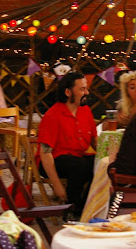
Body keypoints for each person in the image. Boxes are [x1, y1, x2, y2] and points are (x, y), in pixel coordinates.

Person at [37, 72, 97, 218]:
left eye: (86, 88)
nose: (87, 92)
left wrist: (106, 158)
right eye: (82, 89)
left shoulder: (85, 111)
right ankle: (72, 209)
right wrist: (57, 185)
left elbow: (95, 141)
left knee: (99, 165)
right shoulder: (53, 115)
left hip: (78, 158)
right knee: (79, 165)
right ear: (68, 92)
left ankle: (86, 208)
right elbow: (45, 153)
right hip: (53, 160)